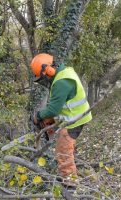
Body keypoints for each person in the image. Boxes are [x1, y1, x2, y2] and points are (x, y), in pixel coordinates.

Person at [30, 53, 92, 188]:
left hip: (75, 119)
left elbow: (53, 110)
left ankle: (70, 184)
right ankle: (50, 133)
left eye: (42, 78)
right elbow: (56, 107)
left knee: (63, 151)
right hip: (75, 114)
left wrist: (38, 116)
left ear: (48, 71)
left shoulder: (61, 83)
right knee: (48, 120)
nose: (43, 81)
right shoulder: (63, 72)